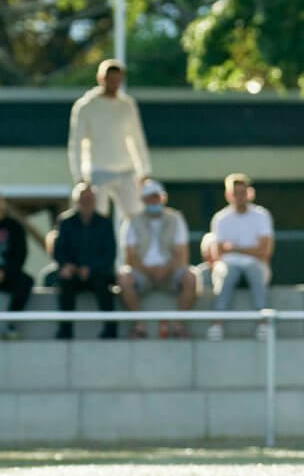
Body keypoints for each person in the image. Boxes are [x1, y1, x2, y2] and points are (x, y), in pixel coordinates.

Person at [68, 59, 151, 221]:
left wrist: (144, 172)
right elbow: (76, 144)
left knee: (137, 217)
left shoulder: (127, 105)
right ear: (101, 79)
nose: (114, 84)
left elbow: (137, 139)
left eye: (118, 80)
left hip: (126, 171)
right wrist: (79, 179)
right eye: (110, 79)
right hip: (98, 172)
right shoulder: (86, 106)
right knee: (97, 219)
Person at [117, 180, 197, 338]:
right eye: (149, 198)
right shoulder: (132, 221)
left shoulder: (175, 218)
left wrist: (165, 269)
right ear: (143, 200)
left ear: (163, 198)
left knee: (191, 278)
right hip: (142, 272)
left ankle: (178, 324)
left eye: (156, 197)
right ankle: (139, 324)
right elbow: (130, 256)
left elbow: (181, 254)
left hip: (170, 272)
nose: (153, 201)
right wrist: (148, 270)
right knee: (124, 279)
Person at [207, 173, 274, 341]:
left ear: (249, 193)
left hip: (255, 265)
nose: (239, 196)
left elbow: (265, 251)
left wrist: (234, 248)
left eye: (242, 192)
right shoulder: (220, 219)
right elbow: (218, 253)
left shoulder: (262, 215)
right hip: (229, 265)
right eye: (235, 192)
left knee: (256, 273)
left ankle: (263, 323)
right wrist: (250, 249)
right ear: (228, 195)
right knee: (225, 274)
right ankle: (217, 324)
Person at [54, 183, 117, 339]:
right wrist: (68, 266)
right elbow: (59, 250)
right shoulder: (66, 222)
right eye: (83, 199)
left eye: (90, 199)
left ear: (95, 201)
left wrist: (91, 268)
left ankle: (110, 330)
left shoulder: (105, 223)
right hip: (73, 273)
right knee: (65, 283)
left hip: (98, 273)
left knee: (105, 287)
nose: (86, 202)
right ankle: (65, 331)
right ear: (76, 201)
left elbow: (110, 253)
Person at [0, 192, 33, 340]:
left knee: (25, 281)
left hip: (9, 274)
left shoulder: (14, 227)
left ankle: (10, 324)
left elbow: (20, 254)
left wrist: (5, 272)